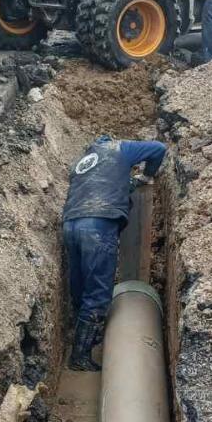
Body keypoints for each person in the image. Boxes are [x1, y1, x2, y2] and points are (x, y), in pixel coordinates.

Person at [62, 134, 167, 370]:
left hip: (71, 224)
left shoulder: (83, 162)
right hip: (98, 225)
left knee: (80, 284)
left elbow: (102, 186)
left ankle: (81, 334)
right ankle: (80, 357)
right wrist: (146, 175)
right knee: (98, 293)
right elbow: (159, 149)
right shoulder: (120, 148)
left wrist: (127, 185)